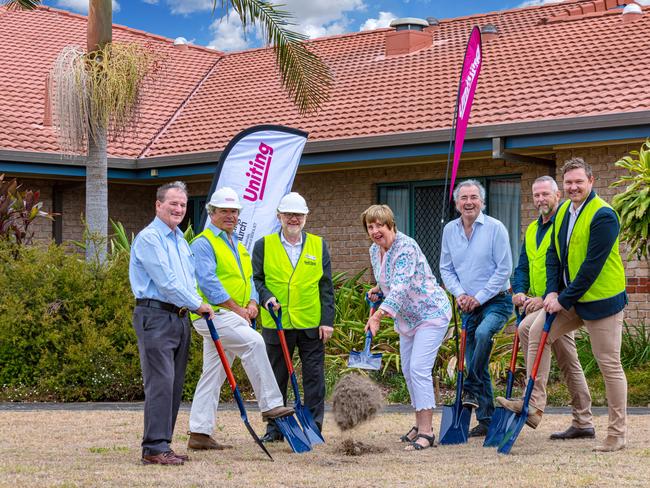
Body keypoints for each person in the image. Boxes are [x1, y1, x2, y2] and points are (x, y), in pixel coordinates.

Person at [506, 158, 628, 452]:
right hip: (571, 298)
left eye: (578, 182)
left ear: (590, 181)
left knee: (609, 364)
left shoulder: (604, 215)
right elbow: (553, 256)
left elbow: (591, 267)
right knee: (534, 331)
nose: (573, 187)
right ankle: (533, 404)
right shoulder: (563, 213)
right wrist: (550, 292)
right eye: (569, 182)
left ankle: (617, 434)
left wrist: (562, 299)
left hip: (602, 301)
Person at [186, 187, 294, 451]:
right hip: (213, 315)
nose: (230, 216)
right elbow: (208, 284)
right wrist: (238, 309)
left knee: (213, 373)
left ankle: (199, 433)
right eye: (224, 211)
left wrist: (253, 303)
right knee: (255, 343)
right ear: (211, 213)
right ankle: (270, 405)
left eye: (234, 211)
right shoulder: (203, 243)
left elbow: (249, 280)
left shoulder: (238, 244)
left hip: (233, 315)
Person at [498, 176, 595, 438]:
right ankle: (583, 422)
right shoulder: (532, 229)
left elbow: (568, 269)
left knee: (530, 331)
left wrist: (547, 298)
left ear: (557, 196)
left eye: (546, 194)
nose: (541, 199)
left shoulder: (563, 227)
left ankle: (533, 403)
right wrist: (519, 291)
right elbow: (523, 266)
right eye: (536, 195)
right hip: (539, 303)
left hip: (557, 302)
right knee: (569, 363)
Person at [129, 181, 215, 466]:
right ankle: (153, 448)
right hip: (155, 315)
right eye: (173, 203)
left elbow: (188, 282)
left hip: (179, 317)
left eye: (182, 204)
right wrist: (197, 304)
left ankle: (163, 444)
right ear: (158, 205)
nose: (178, 209)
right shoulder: (149, 238)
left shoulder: (180, 240)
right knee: (160, 383)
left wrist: (196, 303)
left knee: (174, 384)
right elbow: (166, 282)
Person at [361, 204, 452, 451]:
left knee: (419, 369)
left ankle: (427, 432)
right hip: (408, 318)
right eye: (370, 226)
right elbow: (388, 280)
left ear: (391, 224)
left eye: (380, 225)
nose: (375, 230)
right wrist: (378, 290)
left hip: (430, 313)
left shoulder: (406, 247)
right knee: (409, 372)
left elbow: (400, 286)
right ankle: (418, 424)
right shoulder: (374, 249)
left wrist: (379, 315)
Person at [252, 192, 335, 443]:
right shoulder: (263, 245)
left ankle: (313, 427)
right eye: (288, 214)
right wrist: (266, 298)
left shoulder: (318, 245)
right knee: (276, 378)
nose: (293, 219)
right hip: (276, 324)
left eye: (298, 214)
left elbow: (326, 287)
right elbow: (257, 280)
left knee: (314, 378)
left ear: (306, 217)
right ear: (279, 216)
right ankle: (275, 429)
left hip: (311, 323)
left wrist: (327, 321)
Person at [439, 179, 513, 437]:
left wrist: (478, 297)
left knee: (483, 336)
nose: (468, 202)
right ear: (457, 203)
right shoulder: (450, 230)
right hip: (467, 305)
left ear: (482, 201)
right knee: (475, 360)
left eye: (474, 197)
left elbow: (504, 269)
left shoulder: (495, 228)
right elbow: (446, 269)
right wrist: (459, 294)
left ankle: (469, 385)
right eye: (464, 198)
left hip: (497, 301)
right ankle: (486, 418)